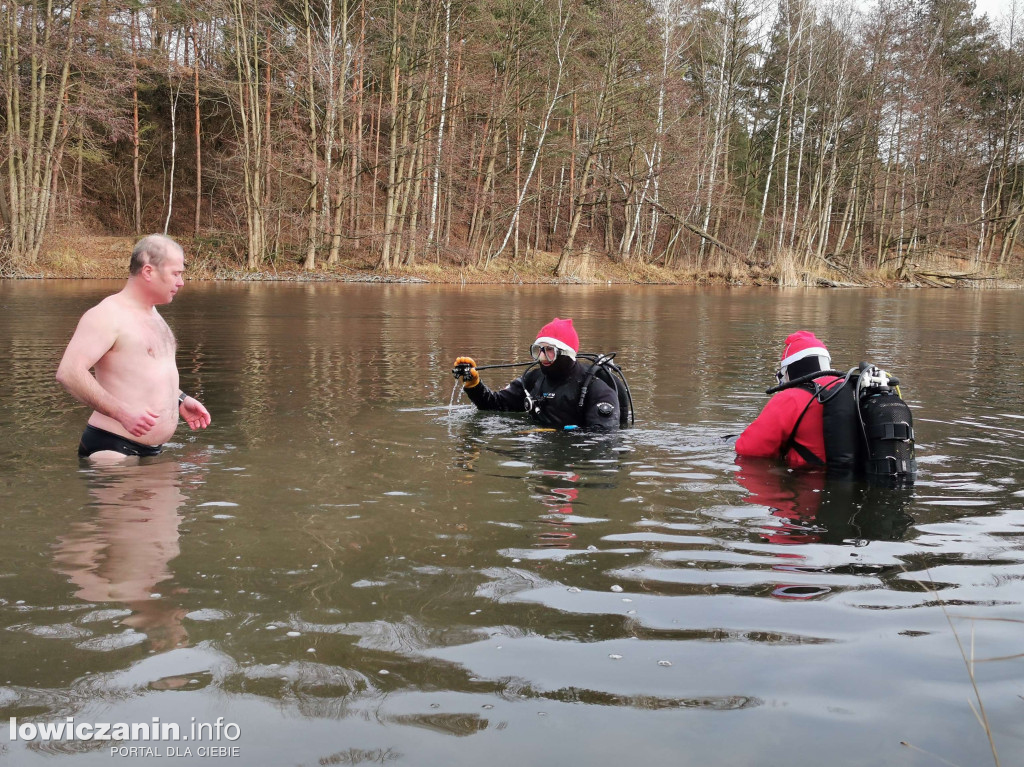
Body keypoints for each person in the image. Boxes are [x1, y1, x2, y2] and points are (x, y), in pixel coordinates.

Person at [56, 234, 211, 462]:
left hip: (152, 451)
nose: (181, 282)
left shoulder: (154, 314)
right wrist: (121, 413)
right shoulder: (107, 315)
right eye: (176, 274)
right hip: (112, 449)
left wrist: (179, 399)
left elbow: (143, 374)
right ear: (148, 272)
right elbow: (69, 373)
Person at [453, 317, 620, 430]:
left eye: (549, 351)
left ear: (566, 353)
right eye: (538, 350)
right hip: (540, 454)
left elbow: (602, 440)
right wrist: (474, 385)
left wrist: (551, 435)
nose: (541, 357)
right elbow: (495, 405)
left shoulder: (596, 388)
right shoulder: (533, 379)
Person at [735, 330, 839, 467]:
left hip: (808, 481)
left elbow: (748, 449)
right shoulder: (851, 387)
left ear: (788, 370)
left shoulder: (790, 398)